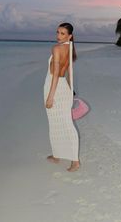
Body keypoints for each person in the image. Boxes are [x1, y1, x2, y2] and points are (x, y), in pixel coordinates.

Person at [44, 22, 80, 172]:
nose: (58, 36)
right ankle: (57, 155)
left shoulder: (57, 48)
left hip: (54, 87)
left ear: (69, 36)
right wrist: (71, 89)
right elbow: (69, 71)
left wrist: (51, 96)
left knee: (61, 124)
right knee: (61, 123)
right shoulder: (70, 48)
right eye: (58, 32)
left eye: (62, 33)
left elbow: (56, 73)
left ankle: (75, 161)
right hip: (64, 87)